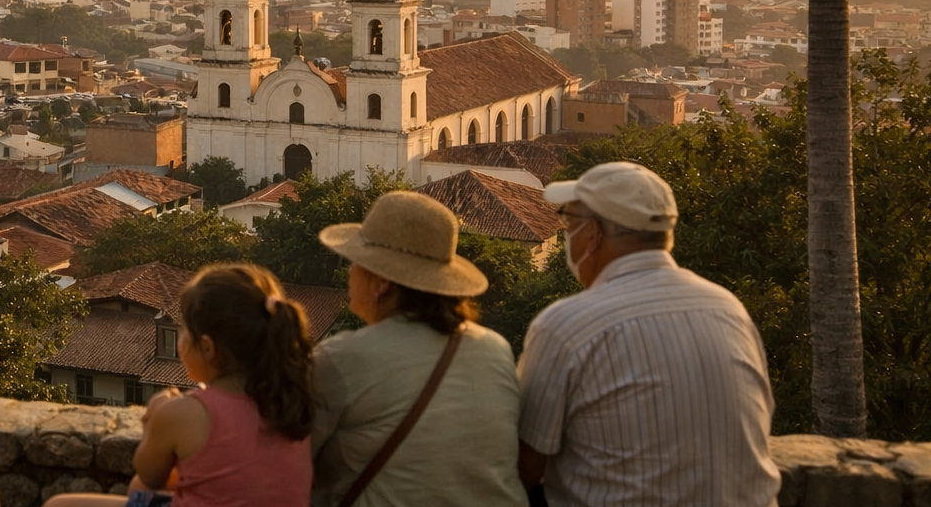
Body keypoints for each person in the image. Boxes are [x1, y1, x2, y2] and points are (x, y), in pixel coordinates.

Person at [517, 160, 781, 507]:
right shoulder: (728, 308)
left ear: (592, 233)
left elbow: (524, 465)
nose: (566, 233)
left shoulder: (566, 326)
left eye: (568, 221)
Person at [310, 190, 526, 507]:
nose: (350, 272)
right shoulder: (494, 348)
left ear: (381, 282)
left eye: (355, 262)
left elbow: (288, 458)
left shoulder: (342, 358)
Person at [45, 263, 315, 507]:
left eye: (184, 331)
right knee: (141, 489)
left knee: (60, 505)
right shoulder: (291, 401)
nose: (180, 340)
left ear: (207, 348)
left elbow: (148, 474)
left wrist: (153, 417)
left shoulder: (185, 414)